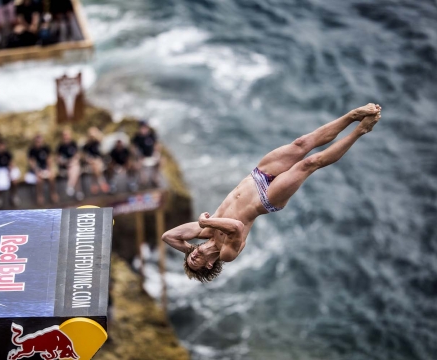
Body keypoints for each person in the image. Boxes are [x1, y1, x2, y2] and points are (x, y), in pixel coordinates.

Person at [162, 104, 382, 283]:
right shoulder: (226, 253)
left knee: (302, 143)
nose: (193, 256)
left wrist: (189, 248)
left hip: (256, 176)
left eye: (190, 257)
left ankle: (352, 116)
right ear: (209, 265)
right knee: (311, 163)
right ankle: (360, 130)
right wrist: (205, 222)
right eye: (196, 261)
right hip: (266, 199)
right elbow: (237, 227)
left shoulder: (203, 233)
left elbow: (168, 237)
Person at [27, 134, 58, 205]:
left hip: (45, 169)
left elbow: (49, 160)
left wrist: (50, 170)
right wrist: (37, 171)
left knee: (52, 177)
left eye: (40, 141)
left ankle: (53, 194)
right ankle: (40, 196)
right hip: (36, 171)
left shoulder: (46, 149)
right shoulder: (32, 150)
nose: (39, 143)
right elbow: (32, 163)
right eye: (37, 141)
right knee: (39, 180)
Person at [0, 140, 20, 208]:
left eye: (3, 146)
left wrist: (10, 171)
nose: (2, 147)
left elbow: (11, 164)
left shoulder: (7, 154)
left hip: (6, 171)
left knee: (14, 180)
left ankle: (13, 196)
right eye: (0, 146)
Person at [132, 121, 161, 187]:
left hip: (152, 156)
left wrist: (156, 153)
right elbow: (133, 148)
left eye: (145, 127)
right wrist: (138, 155)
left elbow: (157, 145)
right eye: (142, 128)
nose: (144, 129)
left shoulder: (152, 135)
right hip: (142, 157)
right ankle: (143, 178)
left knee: (161, 161)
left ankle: (155, 178)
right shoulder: (137, 137)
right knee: (137, 165)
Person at [57, 128, 83, 200]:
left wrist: (72, 162)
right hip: (65, 166)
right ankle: (78, 192)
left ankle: (70, 186)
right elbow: (59, 159)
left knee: (75, 168)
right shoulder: (60, 147)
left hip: (73, 165)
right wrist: (65, 162)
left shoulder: (73, 144)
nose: (66, 137)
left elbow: (77, 156)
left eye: (67, 135)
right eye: (64, 135)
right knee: (75, 170)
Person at [82, 127, 109, 194]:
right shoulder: (86, 145)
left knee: (96, 165)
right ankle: (102, 182)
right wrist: (89, 160)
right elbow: (84, 156)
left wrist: (96, 133)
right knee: (95, 166)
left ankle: (94, 184)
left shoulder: (97, 143)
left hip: (98, 163)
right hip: (90, 164)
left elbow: (102, 140)